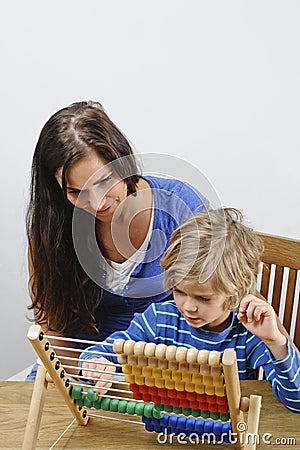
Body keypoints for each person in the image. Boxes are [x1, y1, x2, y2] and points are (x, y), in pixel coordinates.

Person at [26, 100, 209, 380]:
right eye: (77, 192)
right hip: (83, 369)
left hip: (166, 370)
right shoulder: (51, 228)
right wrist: (86, 376)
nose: (97, 203)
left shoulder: (181, 208)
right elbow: (52, 328)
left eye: (104, 181)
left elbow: (225, 299)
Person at [79, 208, 300, 412]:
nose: (187, 306)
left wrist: (276, 342)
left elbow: (296, 400)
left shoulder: (249, 337)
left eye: (203, 298)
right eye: (179, 291)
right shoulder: (158, 320)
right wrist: (96, 364)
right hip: (163, 430)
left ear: (236, 292)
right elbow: (101, 352)